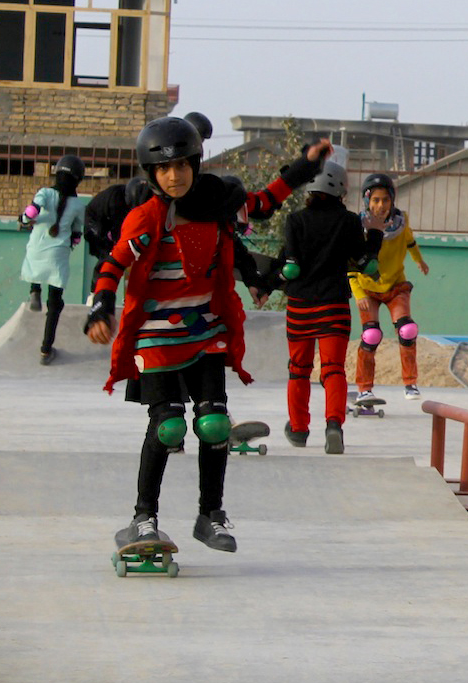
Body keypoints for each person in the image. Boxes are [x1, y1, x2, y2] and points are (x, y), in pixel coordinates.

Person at [86, 115, 332, 554]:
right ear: (152, 173)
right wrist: (101, 306)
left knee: (215, 423)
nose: (174, 175)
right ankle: (143, 518)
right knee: (168, 427)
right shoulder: (147, 218)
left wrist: (305, 166)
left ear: (196, 164)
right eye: (164, 169)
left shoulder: (217, 202)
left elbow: (262, 202)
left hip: (206, 331)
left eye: (182, 165)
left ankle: (210, 514)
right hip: (157, 336)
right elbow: (114, 264)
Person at [278, 162, 383, 453]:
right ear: (340, 188)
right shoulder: (349, 221)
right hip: (334, 305)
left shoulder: (295, 221)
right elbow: (366, 264)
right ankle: (334, 425)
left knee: (298, 369)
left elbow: (290, 269)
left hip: (300, 306)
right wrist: (374, 234)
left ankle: (298, 429)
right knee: (333, 369)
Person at [349, 172, 430, 402]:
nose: (381, 205)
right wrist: (357, 293)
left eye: (385, 200)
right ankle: (364, 388)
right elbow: (350, 265)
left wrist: (419, 260)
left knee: (407, 330)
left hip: (395, 286)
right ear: (367, 201)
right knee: (371, 335)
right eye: (375, 200)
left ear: (392, 200)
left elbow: (410, 242)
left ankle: (410, 383)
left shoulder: (401, 221)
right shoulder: (358, 226)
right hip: (367, 288)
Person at [18, 154, 88, 365]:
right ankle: (46, 350)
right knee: (55, 305)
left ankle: (34, 291)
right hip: (58, 256)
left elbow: (33, 209)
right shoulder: (78, 205)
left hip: (37, 250)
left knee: (34, 263)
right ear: (78, 180)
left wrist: (25, 218)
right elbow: (77, 234)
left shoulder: (45, 193)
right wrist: (71, 244)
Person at [83, 175, 151, 266]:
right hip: (93, 220)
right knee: (109, 255)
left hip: (106, 220)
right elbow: (119, 234)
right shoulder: (117, 203)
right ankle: (102, 276)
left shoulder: (138, 199)